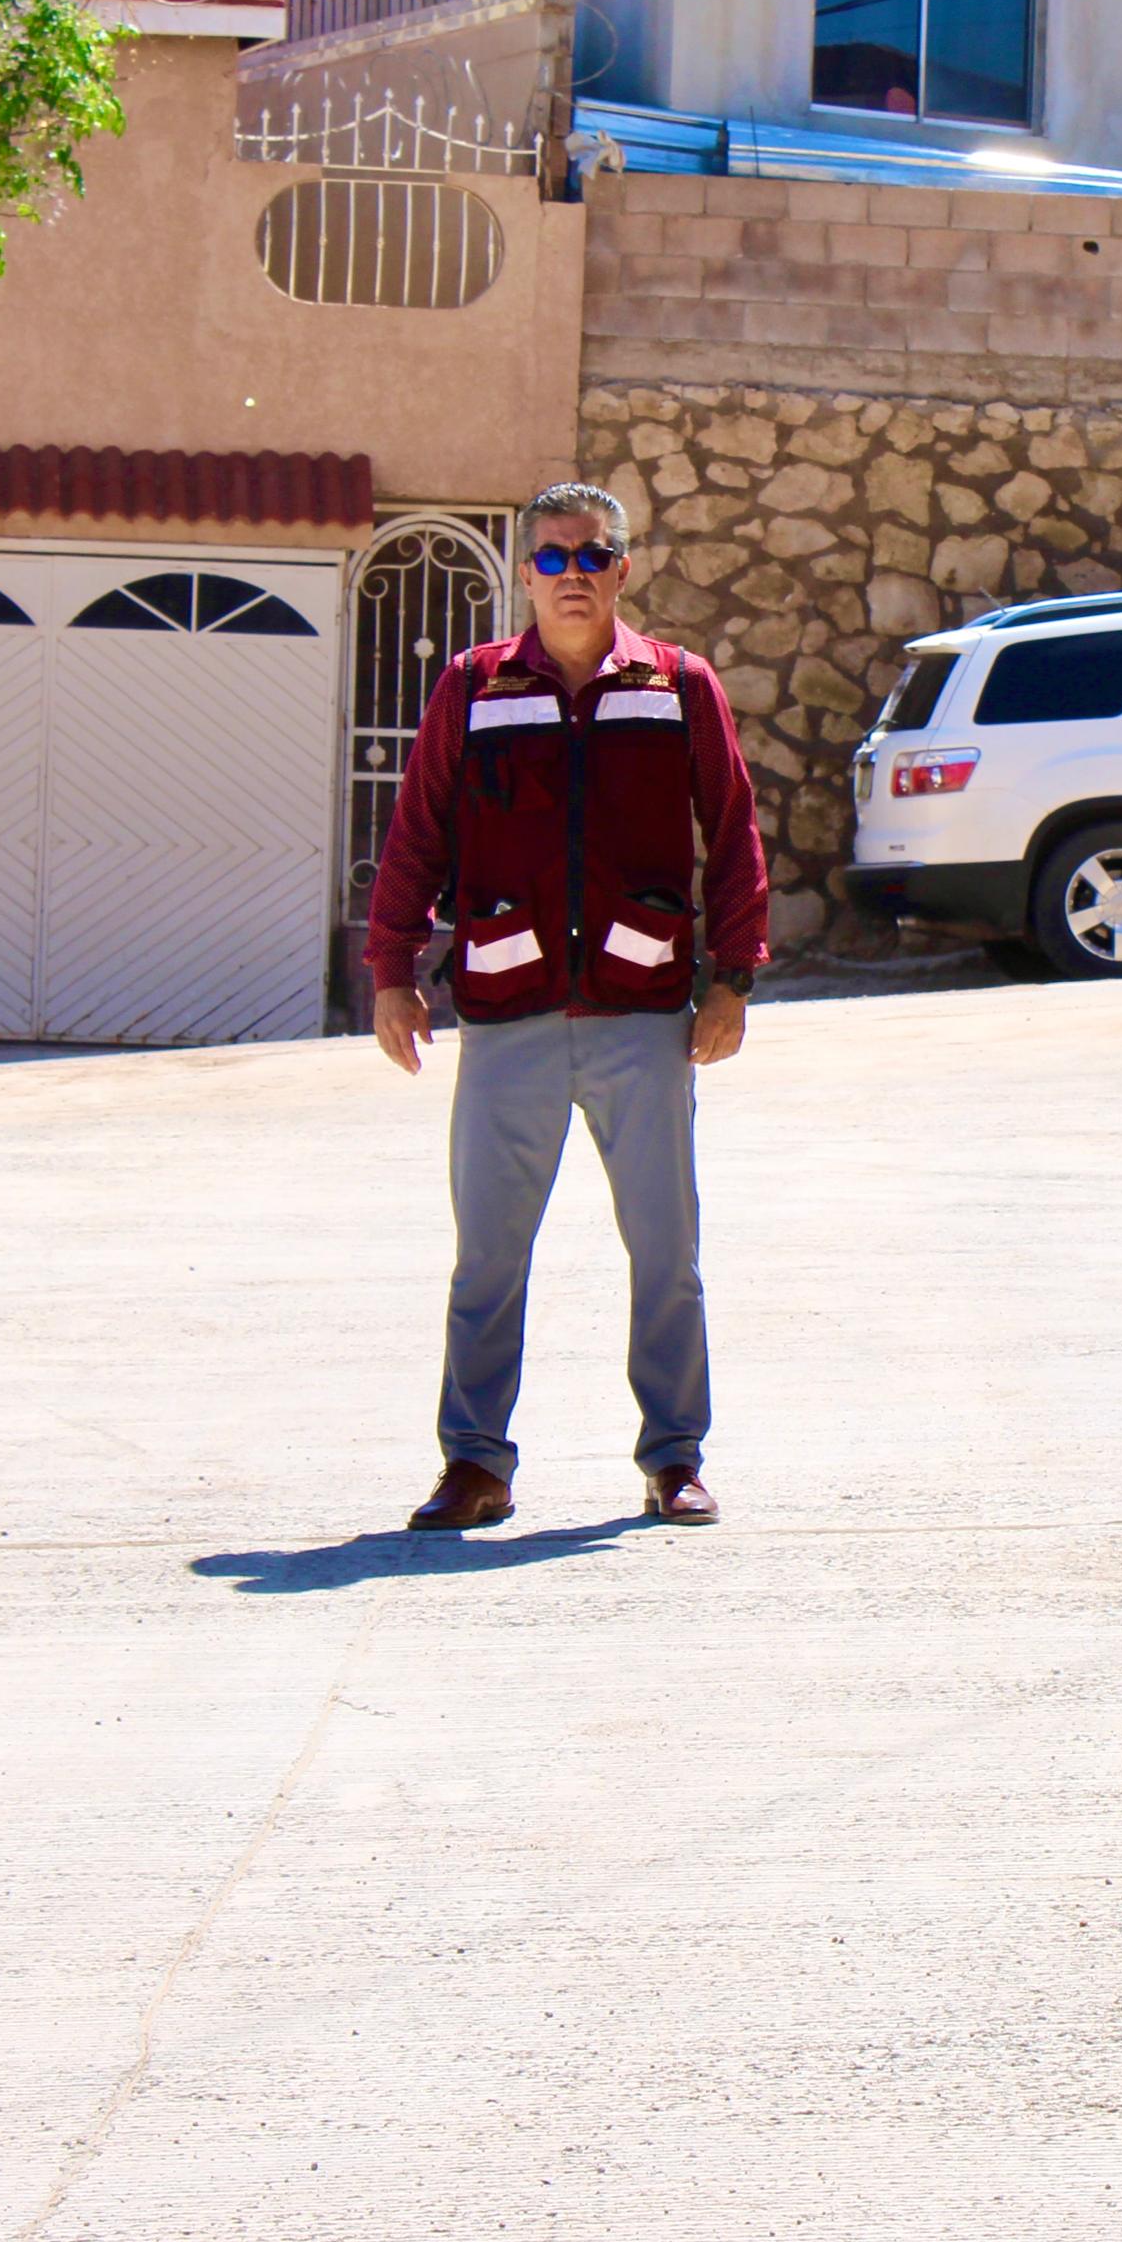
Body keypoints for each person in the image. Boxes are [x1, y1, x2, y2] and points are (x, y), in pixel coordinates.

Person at [365, 480, 768, 1531]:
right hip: (509, 1014)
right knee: (487, 1258)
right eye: (550, 556)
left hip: (640, 1016)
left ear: (624, 567)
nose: (571, 573)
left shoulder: (678, 686)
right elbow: (415, 835)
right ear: (524, 572)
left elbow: (731, 833)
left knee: (665, 1251)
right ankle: (473, 1464)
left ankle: (673, 1457)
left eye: (590, 554)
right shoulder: (472, 689)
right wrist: (390, 972)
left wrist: (732, 976)